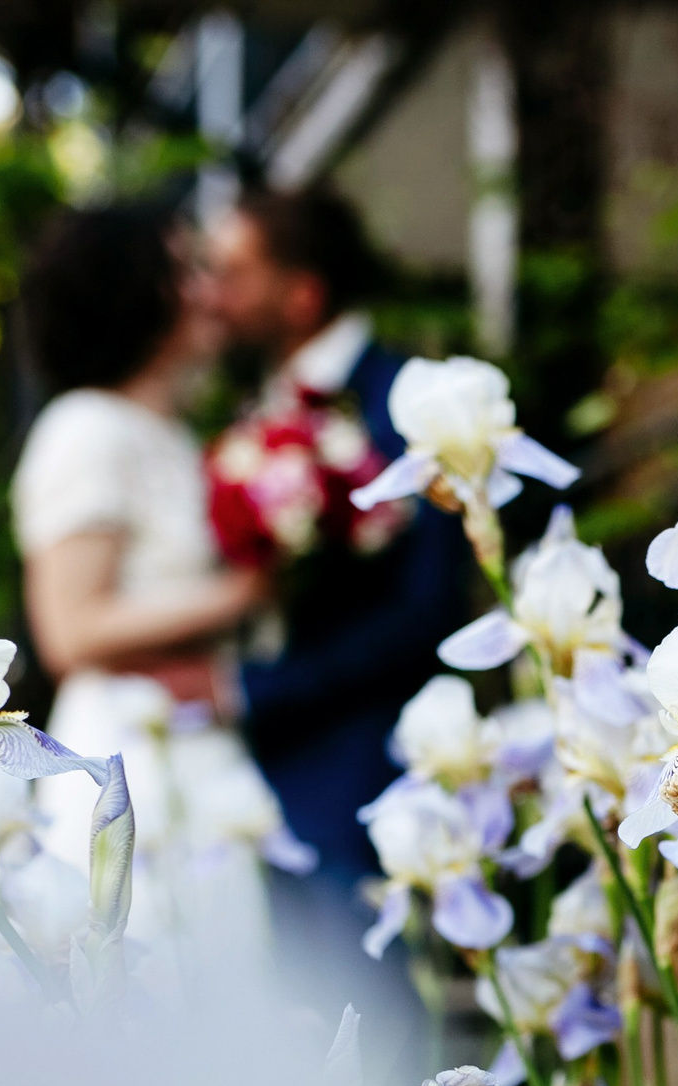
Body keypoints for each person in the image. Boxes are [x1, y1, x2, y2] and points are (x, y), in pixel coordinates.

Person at [11, 204, 296, 984]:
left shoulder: (176, 436)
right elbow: (70, 629)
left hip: (204, 744)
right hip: (128, 750)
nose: (208, 291)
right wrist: (245, 593)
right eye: (187, 271)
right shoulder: (83, 430)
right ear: (134, 293)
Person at [203, 188, 476, 882]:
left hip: (360, 766)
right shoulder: (260, 406)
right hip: (260, 765)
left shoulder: (408, 403)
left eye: (233, 273)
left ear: (302, 294)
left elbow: (425, 611)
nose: (212, 294)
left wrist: (253, 689)